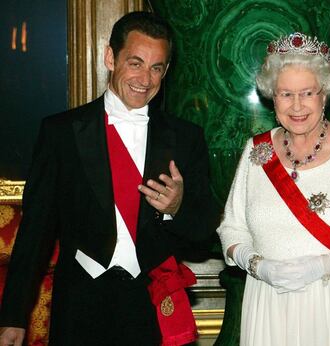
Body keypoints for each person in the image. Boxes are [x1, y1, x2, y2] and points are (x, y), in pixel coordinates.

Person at [0, 11, 216, 346]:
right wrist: (13, 316)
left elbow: (203, 231)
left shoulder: (186, 138)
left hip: (151, 307)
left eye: (156, 67)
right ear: (109, 57)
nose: (145, 79)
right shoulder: (62, 133)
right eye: (135, 63)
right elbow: (35, 233)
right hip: (80, 307)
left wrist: (177, 206)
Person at [217, 32, 330, 346]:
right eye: (285, 94)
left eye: (307, 92)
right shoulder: (256, 151)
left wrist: (327, 264)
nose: (297, 106)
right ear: (272, 97)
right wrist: (257, 265)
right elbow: (231, 229)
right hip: (268, 301)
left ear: (324, 94)